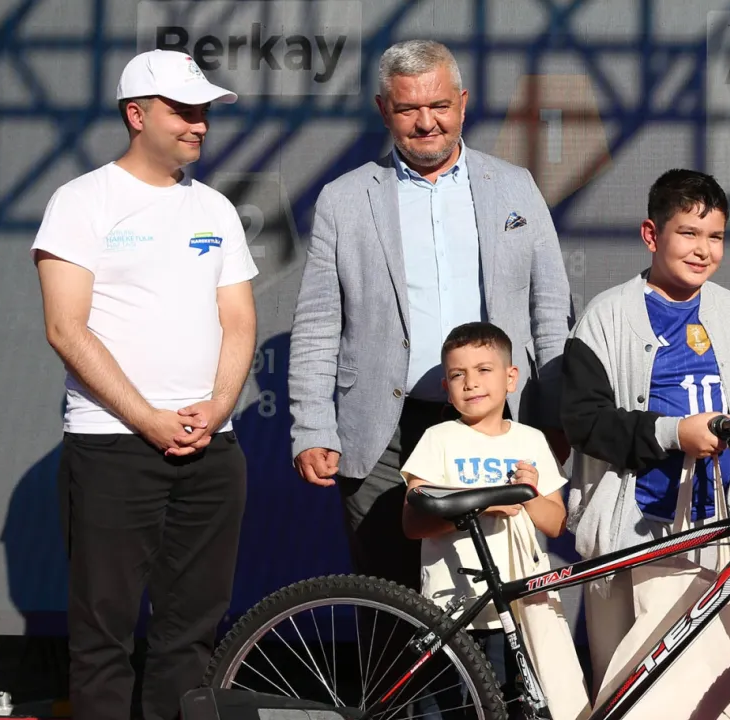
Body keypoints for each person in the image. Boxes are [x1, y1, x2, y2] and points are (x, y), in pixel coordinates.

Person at [287, 39, 573, 591]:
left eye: (439, 105)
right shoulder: (344, 200)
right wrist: (312, 426)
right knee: (389, 598)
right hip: (384, 433)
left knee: (496, 594)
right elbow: (319, 324)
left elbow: (551, 309)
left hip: (497, 425)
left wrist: (556, 413)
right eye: (408, 108)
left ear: (462, 103)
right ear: (383, 110)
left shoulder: (515, 186)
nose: (426, 122)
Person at [30, 49, 257, 720]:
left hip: (211, 447)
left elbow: (239, 320)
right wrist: (149, 418)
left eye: (204, 112)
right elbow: (65, 328)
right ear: (137, 114)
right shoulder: (81, 201)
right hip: (112, 445)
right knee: (102, 634)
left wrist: (217, 408)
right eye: (183, 110)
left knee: (191, 633)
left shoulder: (216, 207)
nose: (199, 124)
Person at [561, 169, 730, 695]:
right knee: (627, 689)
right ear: (651, 234)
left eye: (715, 236)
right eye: (688, 233)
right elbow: (584, 421)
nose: (703, 249)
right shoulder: (606, 317)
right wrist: (674, 433)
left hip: (720, 525)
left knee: (709, 691)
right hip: (635, 529)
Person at [400, 321, 568, 716]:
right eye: (458, 374)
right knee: (442, 709)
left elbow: (556, 523)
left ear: (511, 378)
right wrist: (484, 504)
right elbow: (412, 523)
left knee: (508, 706)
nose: (471, 382)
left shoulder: (531, 440)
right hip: (449, 607)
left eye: (484, 370)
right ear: (447, 387)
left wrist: (529, 495)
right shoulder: (438, 438)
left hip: (516, 608)